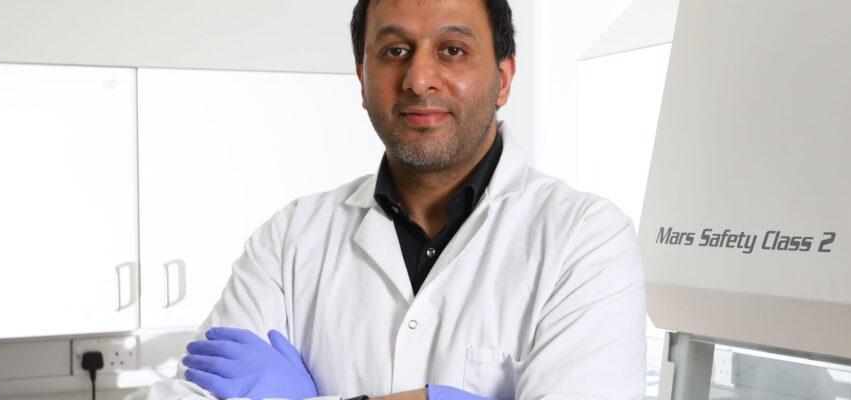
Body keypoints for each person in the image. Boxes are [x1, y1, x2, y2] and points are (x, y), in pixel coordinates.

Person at [143, 0, 647, 399]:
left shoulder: (586, 238)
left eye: (452, 49)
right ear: (362, 80)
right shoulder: (290, 238)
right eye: (395, 51)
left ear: (504, 79)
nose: (418, 79)